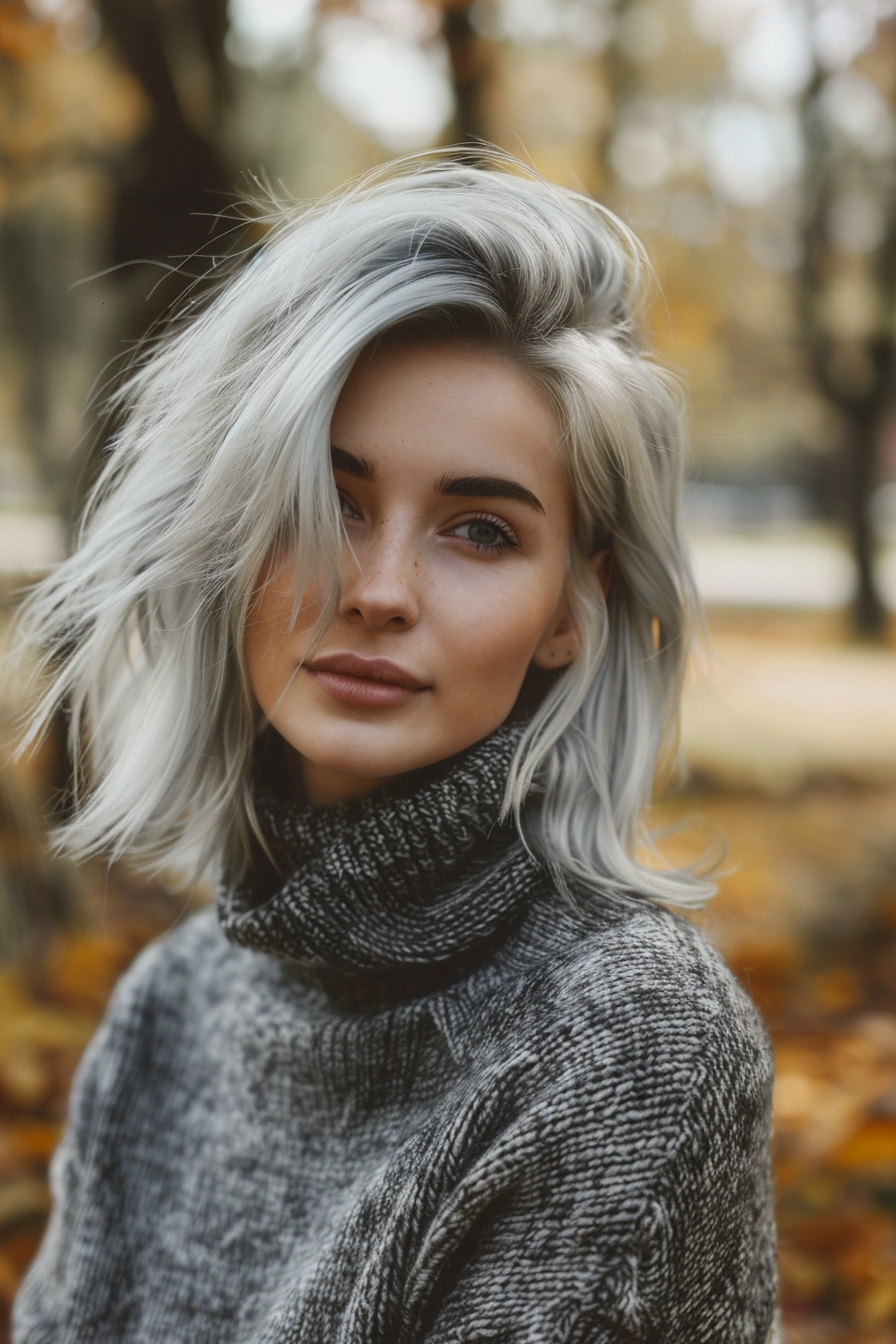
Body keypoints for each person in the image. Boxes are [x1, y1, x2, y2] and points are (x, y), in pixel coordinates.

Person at [12, 152, 778, 1344]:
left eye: (478, 530)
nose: (376, 591)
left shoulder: (628, 1037)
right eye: (333, 500)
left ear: (573, 608)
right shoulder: (169, 1009)